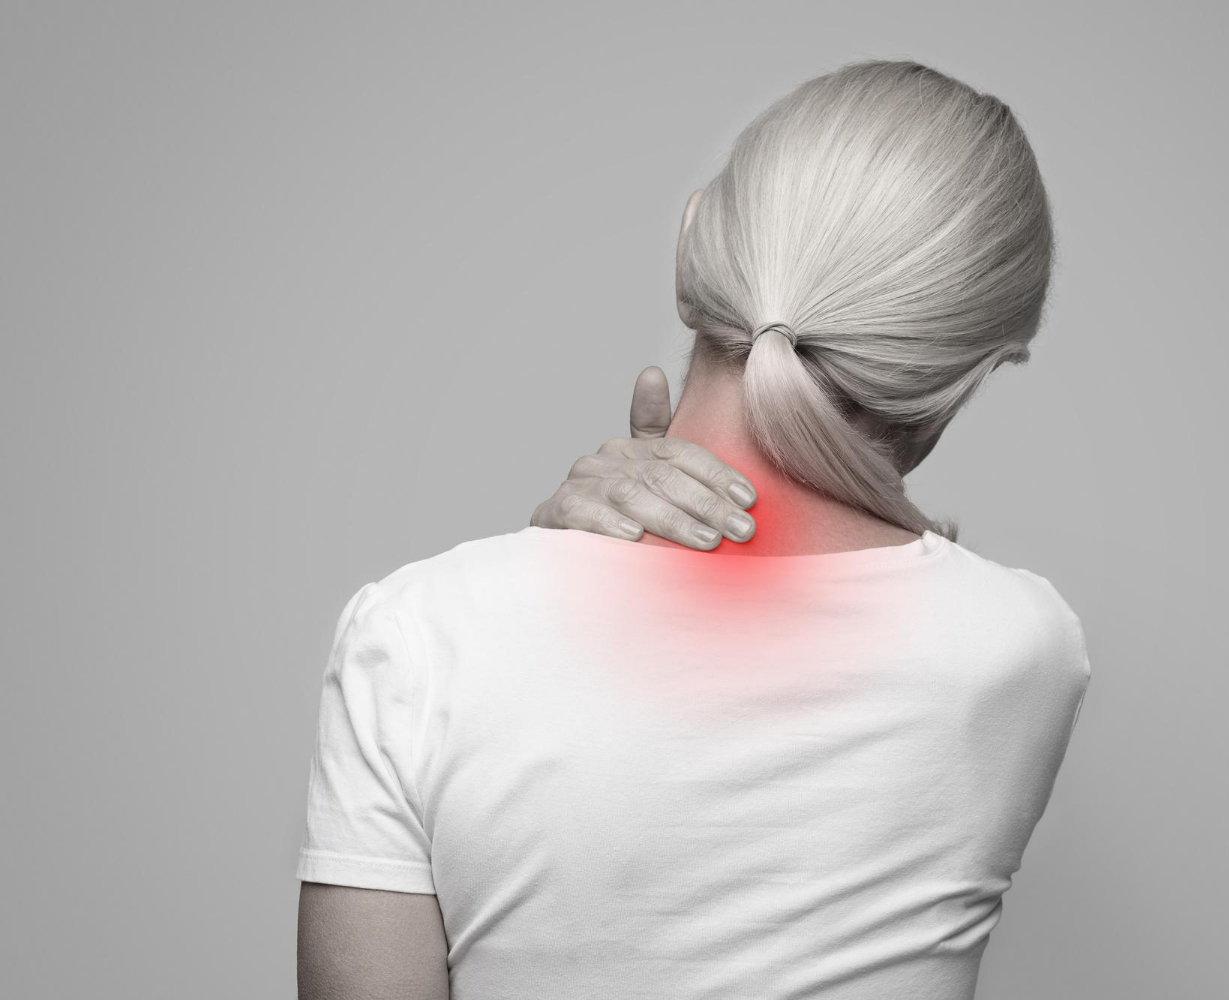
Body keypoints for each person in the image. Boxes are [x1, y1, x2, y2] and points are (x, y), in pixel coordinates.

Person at [296, 60, 1092, 1000]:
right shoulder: (1026, 650)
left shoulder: (416, 637)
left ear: (689, 253)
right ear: (971, 372)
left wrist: (531, 578)